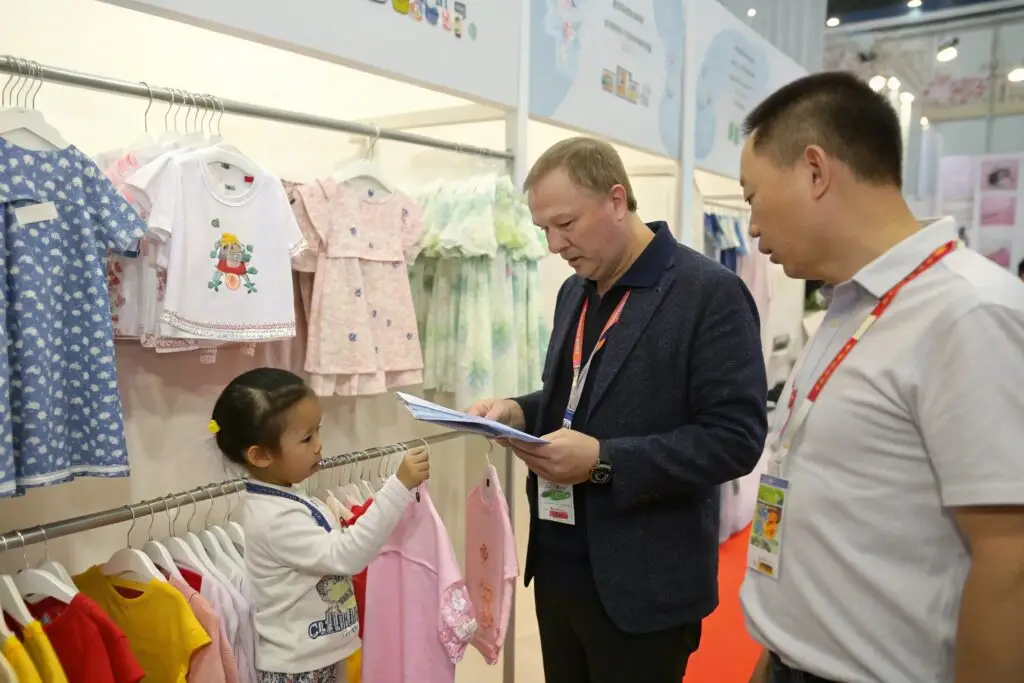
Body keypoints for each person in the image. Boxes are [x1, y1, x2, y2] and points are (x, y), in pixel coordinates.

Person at [738, 72, 1024, 683]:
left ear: (815, 171)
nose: (753, 227)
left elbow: (1010, 560)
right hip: (789, 657)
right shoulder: (852, 305)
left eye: (753, 196)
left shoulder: (969, 312)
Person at [468, 137, 768, 683]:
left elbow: (736, 439)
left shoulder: (709, 294)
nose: (555, 244)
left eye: (566, 224)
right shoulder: (574, 292)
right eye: (544, 231)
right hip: (560, 568)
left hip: (644, 585)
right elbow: (575, 405)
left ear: (616, 199)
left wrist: (605, 460)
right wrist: (517, 411)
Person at [209, 368, 430, 683]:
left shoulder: (287, 496)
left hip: (316, 657)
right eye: (306, 438)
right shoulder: (275, 518)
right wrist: (397, 488)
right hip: (298, 670)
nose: (318, 446)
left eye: (318, 431)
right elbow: (348, 555)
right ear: (260, 456)